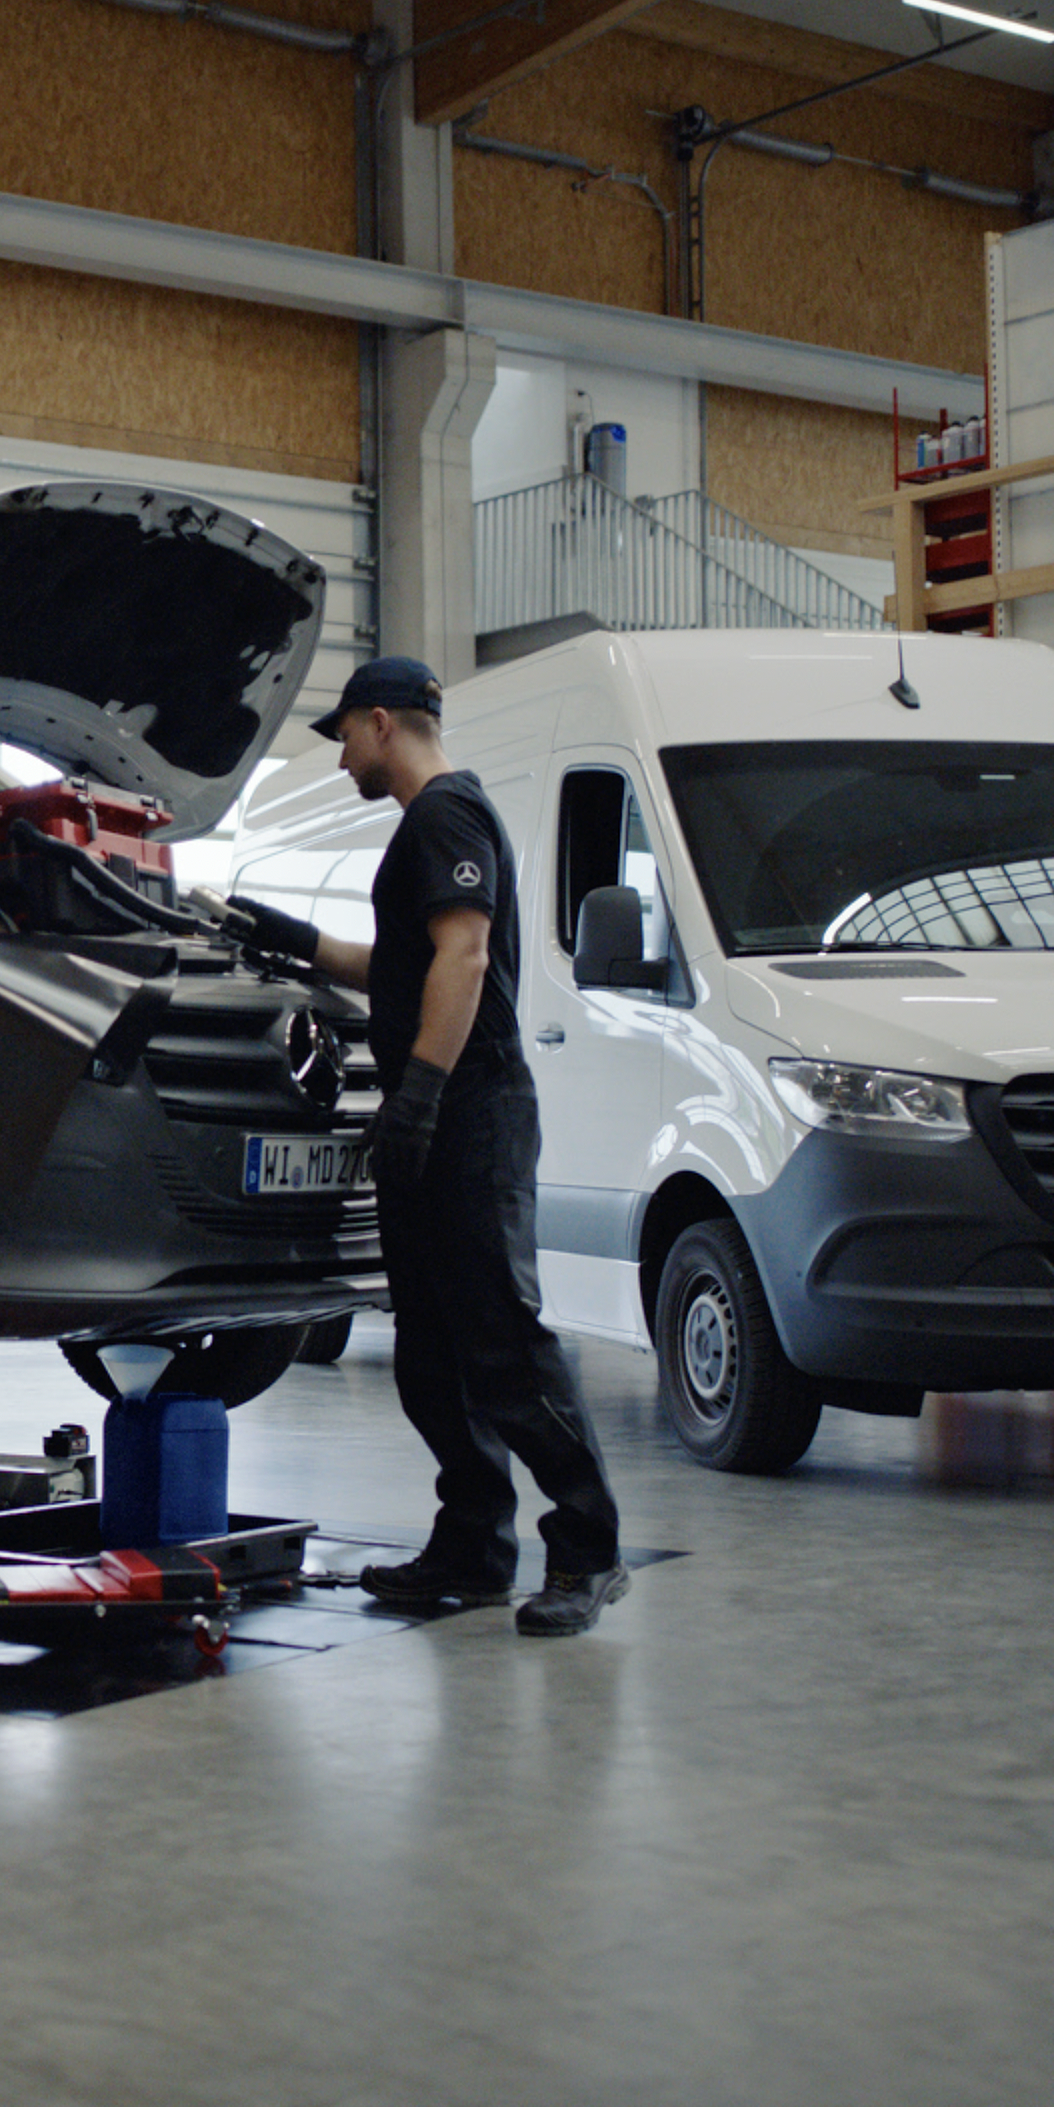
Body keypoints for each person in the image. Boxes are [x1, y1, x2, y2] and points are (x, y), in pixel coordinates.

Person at [212, 656, 629, 1637]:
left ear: (384, 722)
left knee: (501, 1342)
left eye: (346, 735)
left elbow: (465, 953)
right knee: (432, 1356)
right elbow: (403, 962)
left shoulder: (445, 814)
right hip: (435, 1110)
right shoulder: (426, 828)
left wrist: (424, 1097)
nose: (343, 755)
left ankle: (587, 1550)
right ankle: (474, 1547)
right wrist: (295, 943)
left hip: (468, 1112)